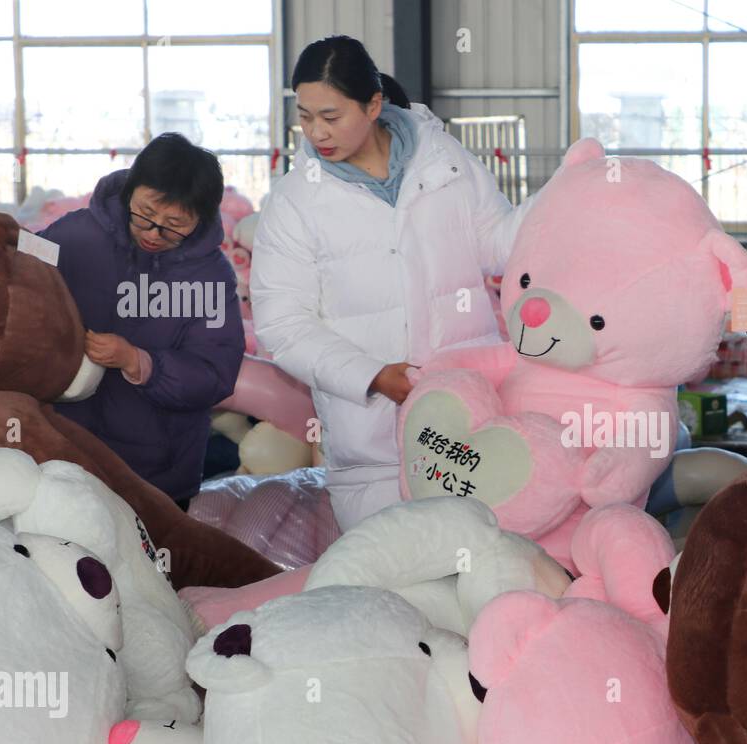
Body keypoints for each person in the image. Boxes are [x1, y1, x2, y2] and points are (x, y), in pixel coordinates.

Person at [252, 35, 529, 531]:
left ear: (374, 104)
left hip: (467, 424)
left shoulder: (444, 164)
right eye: (305, 115)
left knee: (481, 574)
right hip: (370, 450)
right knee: (389, 590)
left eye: (331, 116)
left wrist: (566, 210)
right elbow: (284, 325)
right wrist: (372, 375)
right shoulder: (295, 202)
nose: (316, 131)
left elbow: (498, 242)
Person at [40, 133, 244, 511]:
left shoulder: (210, 276)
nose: (154, 233)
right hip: (64, 458)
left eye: (173, 224)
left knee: (152, 566)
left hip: (156, 474)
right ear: (129, 191)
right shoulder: (75, 235)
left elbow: (216, 372)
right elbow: (16, 284)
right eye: (145, 215)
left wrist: (140, 362)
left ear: (200, 218)